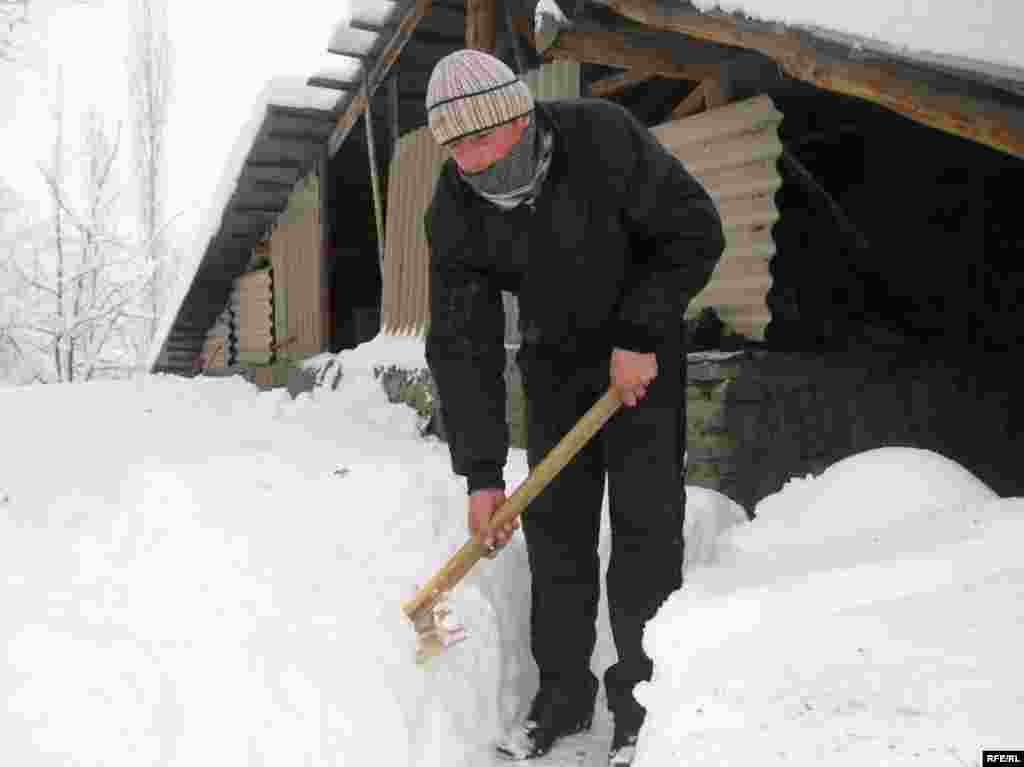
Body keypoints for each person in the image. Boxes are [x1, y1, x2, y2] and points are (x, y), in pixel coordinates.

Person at [423, 49, 725, 766]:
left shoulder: (602, 138)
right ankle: (561, 698)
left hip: (638, 358)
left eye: (483, 137)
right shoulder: (456, 206)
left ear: (520, 117)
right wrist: (482, 474)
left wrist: (641, 333)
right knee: (557, 536)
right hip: (554, 364)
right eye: (456, 146)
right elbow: (461, 342)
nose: (472, 160)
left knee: (645, 527)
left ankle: (640, 704)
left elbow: (695, 229)